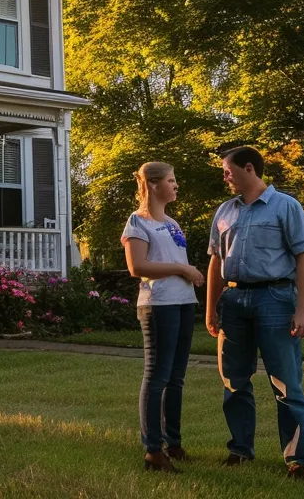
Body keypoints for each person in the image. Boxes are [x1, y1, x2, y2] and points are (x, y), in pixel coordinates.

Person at [206, 145, 304, 479]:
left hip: (275, 300)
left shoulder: (286, 207)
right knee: (234, 381)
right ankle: (240, 450)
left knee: (285, 383)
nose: (224, 176)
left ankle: (298, 459)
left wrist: (303, 311)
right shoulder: (225, 212)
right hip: (234, 302)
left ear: (249, 168)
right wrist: (210, 309)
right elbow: (215, 262)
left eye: (228, 170)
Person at [121, 162, 205, 473]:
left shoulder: (172, 222)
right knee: (157, 376)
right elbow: (138, 267)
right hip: (158, 306)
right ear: (154, 185)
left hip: (183, 302)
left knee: (176, 378)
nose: (176, 185)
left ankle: (175, 444)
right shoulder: (137, 223)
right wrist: (183, 269)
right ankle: (153, 451)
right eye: (171, 180)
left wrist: (188, 276)